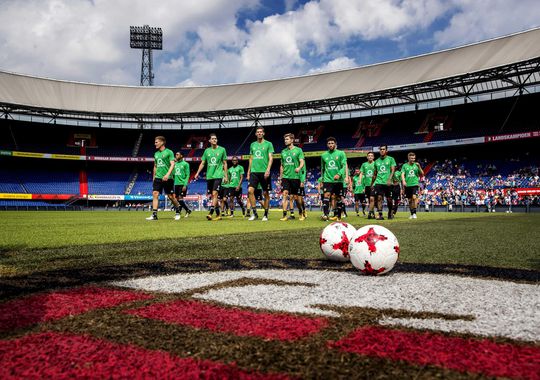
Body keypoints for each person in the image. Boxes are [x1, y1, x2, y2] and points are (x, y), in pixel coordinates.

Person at [194, 133, 228, 221]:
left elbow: (224, 163)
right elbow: (202, 163)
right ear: (209, 140)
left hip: (218, 175)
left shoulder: (222, 150)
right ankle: (218, 215)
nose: (214, 140)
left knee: (214, 194)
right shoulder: (207, 151)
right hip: (209, 176)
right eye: (212, 139)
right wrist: (197, 173)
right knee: (213, 196)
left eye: (215, 138)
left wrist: (226, 175)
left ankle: (210, 213)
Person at [146, 136, 181, 221]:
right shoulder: (156, 154)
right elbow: (155, 166)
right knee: (155, 193)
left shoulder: (169, 152)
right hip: (158, 177)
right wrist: (154, 177)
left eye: (156, 142)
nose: (155, 144)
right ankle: (154, 215)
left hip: (168, 178)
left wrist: (167, 174)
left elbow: (172, 164)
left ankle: (177, 210)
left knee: (171, 196)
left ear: (162, 142)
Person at [247, 126, 274, 221]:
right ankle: (254, 213)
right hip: (254, 172)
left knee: (266, 193)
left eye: (261, 132)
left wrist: (268, 169)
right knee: (250, 191)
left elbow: (271, 158)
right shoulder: (252, 145)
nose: (259, 133)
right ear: (255, 134)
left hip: (264, 172)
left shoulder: (268, 144)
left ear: (263, 133)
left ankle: (265, 214)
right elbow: (251, 158)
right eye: (257, 132)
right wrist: (248, 171)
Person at [320, 137, 348, 221]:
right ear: (327, 145)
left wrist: (339, 174)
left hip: (338, 180)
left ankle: (338, 216)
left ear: (335, 144)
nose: (330, 145)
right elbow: (322, 168)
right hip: (327, 179)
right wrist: (322, 179)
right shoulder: (323, 155)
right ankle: (325, 215)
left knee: (338, 198)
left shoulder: (341, 153)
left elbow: (344, 166)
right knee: (326, 195)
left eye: (332, 143)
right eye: (329, 143)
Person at [279, 133, 305, 221]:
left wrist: (299, 167)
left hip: (295, 177)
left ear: (292, 140)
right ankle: (284, 215)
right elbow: (282, 165)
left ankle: (301, 213)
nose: (285, 141)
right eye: (285, 139)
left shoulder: (298, 150)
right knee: (285, 194)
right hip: (286, 177)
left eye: (287, 139)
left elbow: (302, 162)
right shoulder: (283, 152)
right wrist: (281, 177)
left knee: (296, 198)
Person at [371, 145, 396, 220]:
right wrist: (372, 184)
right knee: (379, 198)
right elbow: (374, 174)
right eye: (381, 149)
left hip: (388, 183)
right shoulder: (376, 161)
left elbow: (393, 170)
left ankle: (390, 212)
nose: (382, 150)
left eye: (383, 149)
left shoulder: (391, 159)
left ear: (386, 151)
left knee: (389, 199)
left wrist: (389, 179)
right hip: (379, 182)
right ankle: (380, 214)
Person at [401, 152, 424, 219]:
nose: (413, 159)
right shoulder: (404, 165)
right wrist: (404, 181)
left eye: (414, 158)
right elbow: (402, 174)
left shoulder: (416, 165)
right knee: (410, 200)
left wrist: (419, 166)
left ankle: (414, 213)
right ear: (408, 158)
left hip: (415, 184)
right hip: (407, 185)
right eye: (411, 158)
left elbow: (422, 174)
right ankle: (411, 213)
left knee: (414, 197)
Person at [173, 151, 192, 218]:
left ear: (181, 156)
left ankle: (186, 210)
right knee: (177, 199)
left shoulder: (185, 164)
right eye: (176, 154)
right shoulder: (175, 164)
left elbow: (187, 175)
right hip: (176, 184)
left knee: (180, 199)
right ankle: (182, 211)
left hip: (182, 184)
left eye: (177, 154)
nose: (176, 155)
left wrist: (185, 184)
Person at [359, 152, 376, 219]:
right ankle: (372, 212)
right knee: (369, 200)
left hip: (374, 184)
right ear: (367, 157)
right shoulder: (364, 164)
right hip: (367, 185)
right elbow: (361, 173)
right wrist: (360, 180)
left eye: (371, 156)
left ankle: (370, 213)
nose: (370, 157)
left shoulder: (375, 164)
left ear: (373, 157)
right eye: (369, 156)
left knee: (372, 199)